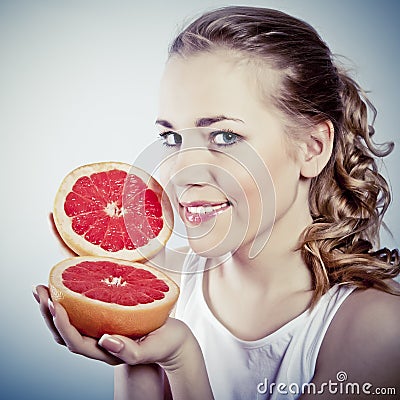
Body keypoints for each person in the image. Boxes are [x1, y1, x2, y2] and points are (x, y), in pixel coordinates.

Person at [33, 6, 400, 400]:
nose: (181, 171)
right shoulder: (158, 296)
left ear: (312, 148)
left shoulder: (377, 330)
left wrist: (181, 359)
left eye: (224, 137)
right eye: (173, 138)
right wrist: (130, 339)